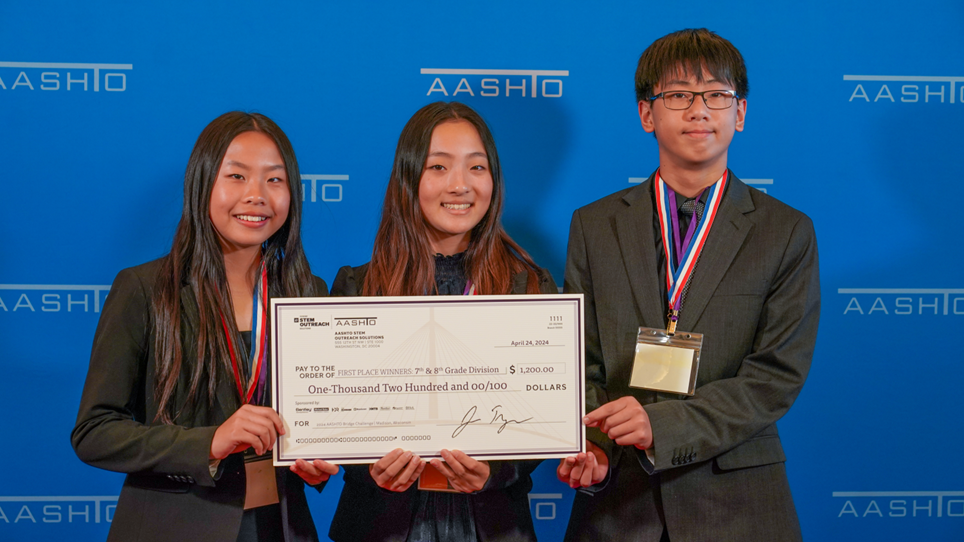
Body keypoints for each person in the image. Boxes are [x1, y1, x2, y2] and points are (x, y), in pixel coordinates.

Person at [558, 29, 820, 542]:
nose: (699, 110)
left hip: (739, 506)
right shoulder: (594, 225)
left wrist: (664, 427)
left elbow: (774, 377)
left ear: (739, 113)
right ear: (646, 114)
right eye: (678, 94)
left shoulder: (785, 231)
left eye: (717, 95)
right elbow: (579, 361)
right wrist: (596, 446)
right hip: (618, 506)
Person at [71, 112, 339, 542]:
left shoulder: (308, 293)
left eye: (274, 179)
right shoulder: (146, 289)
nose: (256, 195)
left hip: (280, 526)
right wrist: (209, 442)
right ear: (202, 185)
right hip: (173, 528)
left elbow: (319, 413)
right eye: (236, 176)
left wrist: (314, 456)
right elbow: (94, 432)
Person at [327, 101, 556, 542]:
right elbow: (334, 419)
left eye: (476, 167)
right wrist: (368, 464)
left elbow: (546, 416)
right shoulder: (358, 288)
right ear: (409, 178)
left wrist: (496, 469)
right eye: (438, 167)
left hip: (495, 525)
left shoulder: (530, 287)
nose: (460, 184)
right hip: (381, 526)